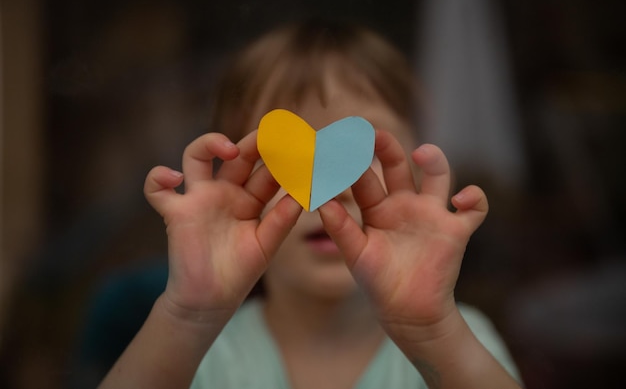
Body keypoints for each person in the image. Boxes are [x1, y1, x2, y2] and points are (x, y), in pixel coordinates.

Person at [98, 19, 522, 389]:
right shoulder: (197, 354)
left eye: (360, 151)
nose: (330, 191)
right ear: (230, 181)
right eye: (286, 158)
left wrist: (431, 330)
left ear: (415, 165)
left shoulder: (455, 340)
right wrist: (187, 318)